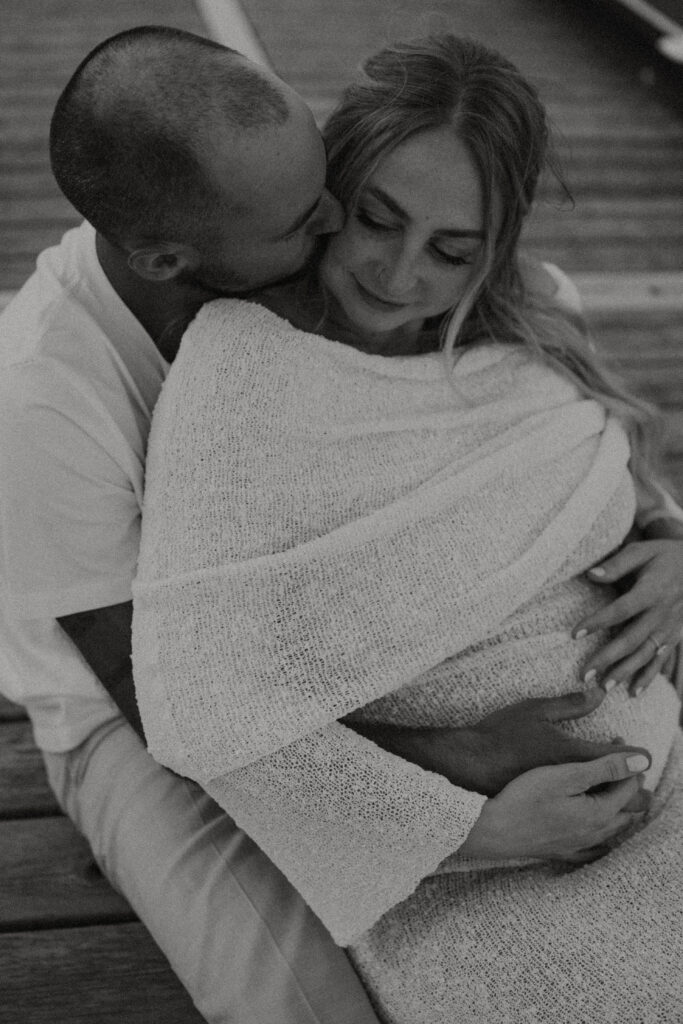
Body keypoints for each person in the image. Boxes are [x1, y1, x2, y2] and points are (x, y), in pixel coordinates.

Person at [131, 33, 683, 1022]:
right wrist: (466, 823)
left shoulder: (525, 327)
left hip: (665, 764)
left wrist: (675, 550)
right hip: (472, 865)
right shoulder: (244, 366)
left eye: (450, 251)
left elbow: (613, 482)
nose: (397, 272)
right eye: (376, 220)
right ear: (328, 197)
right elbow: (206, 704)